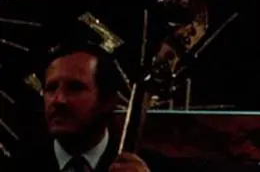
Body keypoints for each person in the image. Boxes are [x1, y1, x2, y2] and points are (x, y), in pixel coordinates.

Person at [8, 43, 169, 172]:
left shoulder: (151, 167)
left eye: (75, 88)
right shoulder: (15, 166)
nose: (58, 100)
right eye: (51, 88)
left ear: (108, 101)